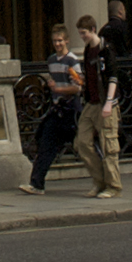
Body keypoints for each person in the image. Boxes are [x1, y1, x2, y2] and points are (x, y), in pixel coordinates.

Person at [23, 24, 85, 192]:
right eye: (55, 41)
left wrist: (58, 89)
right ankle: (36, 183)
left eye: (60, 41)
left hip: (71, 109)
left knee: (84, 147)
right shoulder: (51, 60)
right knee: (46, 143)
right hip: (57, 109)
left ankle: (103, 180)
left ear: (66, 41)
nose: (57, 44)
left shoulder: (71, 60)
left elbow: (78, 86)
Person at [78, 13, 124, 195]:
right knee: (82, 142)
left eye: (84, 33)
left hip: (106, 102)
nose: (82, 37)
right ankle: (100, 181)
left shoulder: (106, 49)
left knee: (109, 145)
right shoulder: (87, 50)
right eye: (80, 34)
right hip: (92, 102)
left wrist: (109, 103)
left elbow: (113, 76)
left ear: (93, 30)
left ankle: (113, 186)